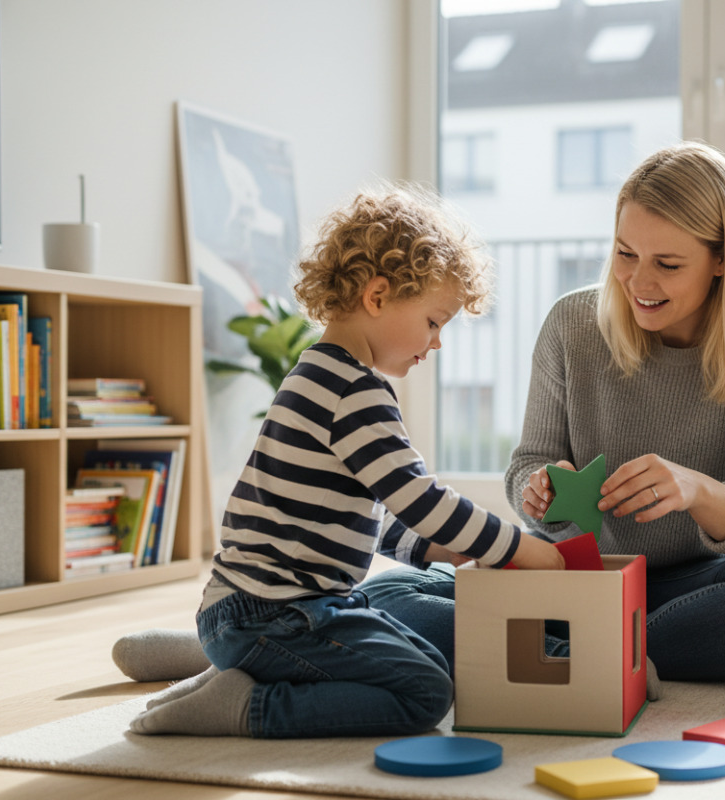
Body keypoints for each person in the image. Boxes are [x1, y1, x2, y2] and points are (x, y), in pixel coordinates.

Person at [360, 141, 725, 685]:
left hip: (692, 585)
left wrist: (698, 490)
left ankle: (550, 656)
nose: (639, 283)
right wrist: (538, 492)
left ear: (723, 260)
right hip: (570, 575)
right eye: (625, 254)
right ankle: (611, 661)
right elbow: (529, 465)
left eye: (668, 265)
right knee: (383, 595)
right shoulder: (572, 324)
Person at [123, 186, 564, 739]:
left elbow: (365, 521)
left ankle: (231, 673)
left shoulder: (318, 374)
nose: (437, 343)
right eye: (433, 321)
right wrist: (522, 547)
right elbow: (420, 499)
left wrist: (434, 549)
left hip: (252, 611)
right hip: (276, 616)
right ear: (378, 296)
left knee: (417, 655)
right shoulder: (354, 392)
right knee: (427, 691)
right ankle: (249, 706)